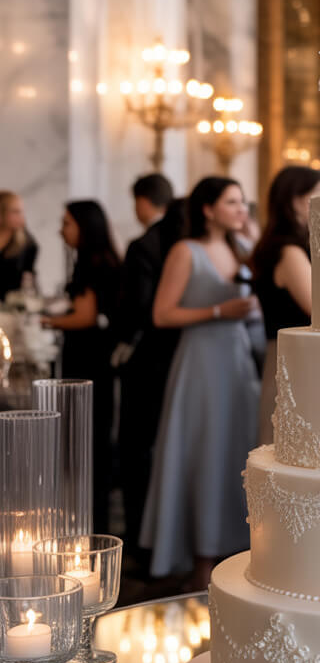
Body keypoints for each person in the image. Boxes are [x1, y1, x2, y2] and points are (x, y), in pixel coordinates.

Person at [140, 177, 259, 588]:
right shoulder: (185, 251)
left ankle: (242, 553)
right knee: (204, 451)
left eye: (243, 202)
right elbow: (162, 314)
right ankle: (200, 561)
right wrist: (217, 311)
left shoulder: (241, 248)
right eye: (232, 202)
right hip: (201, 361)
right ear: (207, 208)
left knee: (237, 450)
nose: (241, 209)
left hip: (238, 359)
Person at [113, 174, 179, 566]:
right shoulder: (186, 241)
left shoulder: (145, 244)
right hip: (179, 357)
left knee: (138, 448)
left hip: (147, 361)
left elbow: (136, 307)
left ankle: (140, 536)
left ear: (143, 200)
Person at [43, 201, 121, 532]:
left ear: (85, 227)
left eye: (67, 223)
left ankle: (88, 520)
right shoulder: (97, 260)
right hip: (94, 359)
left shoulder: (91, 264)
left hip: (88, 360)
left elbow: (85, 316)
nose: (61, 230)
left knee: (87, 437)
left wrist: (46, 320)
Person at [252, 166, 320, 443]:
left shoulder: (298, 246)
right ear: (295, 199)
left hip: (298, 356)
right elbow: (316, 307)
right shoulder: (288, 251)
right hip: (289, 359)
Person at [0, 191, 38, 300]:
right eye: (16, 212)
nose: (22, 217)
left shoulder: (28, 244)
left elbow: (28, 281)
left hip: (10, 307)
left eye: (22, 212)